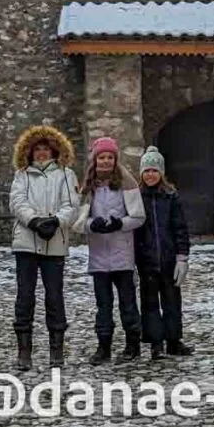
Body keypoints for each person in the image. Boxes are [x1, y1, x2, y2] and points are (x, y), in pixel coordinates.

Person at [9, 124, 80, 371]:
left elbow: (71, 205)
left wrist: (56, 221)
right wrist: (34, 221)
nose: (41, 153)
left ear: (54, 151)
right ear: (29, 152)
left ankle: (56, 350)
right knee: (25, 297)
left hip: (54, 243)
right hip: (27, 243)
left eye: (45, 149)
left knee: (54, 297)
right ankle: (24, 351)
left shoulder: (66, 175)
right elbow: (17, 202)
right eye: (37, 149)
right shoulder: (22, 175)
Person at [73, 136, 145, 365]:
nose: (105, 162)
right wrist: (90, 225)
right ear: (95, 160)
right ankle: (103, 346)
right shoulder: (88, 186)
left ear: (115, 160)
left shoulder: (127, 184)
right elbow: (77, 220)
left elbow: (138, 216)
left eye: (109, 158)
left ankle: (132, 345)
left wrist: (120, 224)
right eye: (101, 157)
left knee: (127, 303)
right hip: (99, 257)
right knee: (103, 306)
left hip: (122, 255)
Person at [135, 146, 192, 359]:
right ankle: (155, 343)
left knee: (172, 302)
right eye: (147, 171)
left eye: (154, 170)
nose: (150, 175)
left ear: (161, 173)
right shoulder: (137, 198)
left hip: (168, 260)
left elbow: (180, 228)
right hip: (146, 260)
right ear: (142, 173)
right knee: (149, 304)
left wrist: (182, 256)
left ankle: (173, 340)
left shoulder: (170, 197)